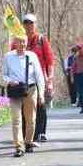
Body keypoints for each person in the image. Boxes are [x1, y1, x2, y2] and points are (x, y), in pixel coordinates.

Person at [3, 35, 46, 157]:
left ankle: (28, 142)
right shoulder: (8, 56)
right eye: (19, 41)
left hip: (31, 89)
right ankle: (18, 146)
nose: (21, 44)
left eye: (24, 42)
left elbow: (39, 76)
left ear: (26, 43)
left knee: (31, 119)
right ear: (14, 43)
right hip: (15, 90)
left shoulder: (32, 56)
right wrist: (10, 81)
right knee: (16, 119)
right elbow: (3, 76)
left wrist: (41, 94)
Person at [22, 13, 54, 143]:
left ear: (35, 25)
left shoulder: (41, 40)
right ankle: (27, 134)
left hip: (40, 78)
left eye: (31, 23)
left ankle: (41, 132)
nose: (29, 26)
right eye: (26, 23)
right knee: (25, 107)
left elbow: (50, 61)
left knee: (40, 105)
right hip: (24, 78)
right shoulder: (18, 40)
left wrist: (50, 79)